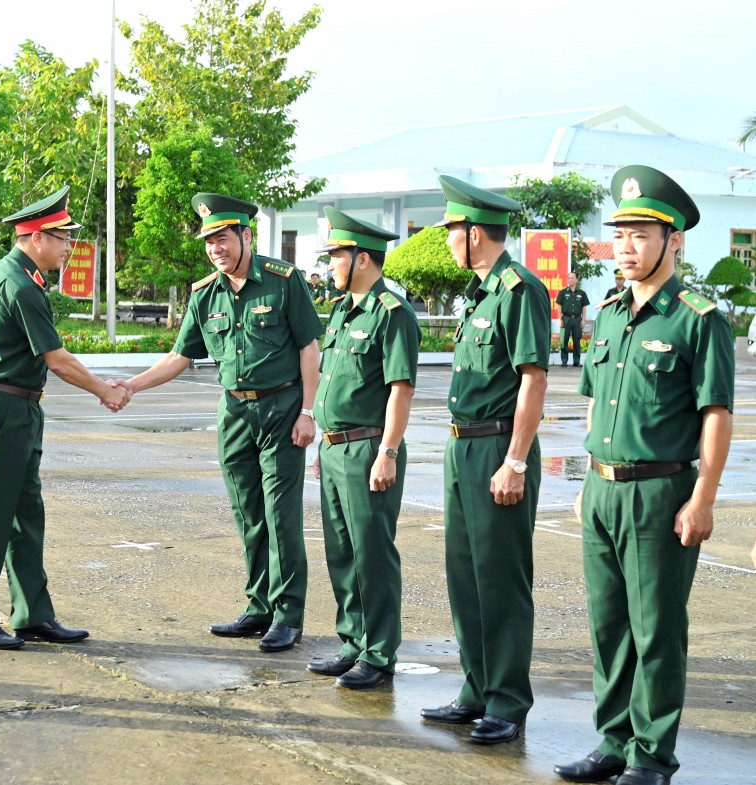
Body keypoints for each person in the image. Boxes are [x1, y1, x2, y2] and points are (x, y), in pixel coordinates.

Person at [555, 165, 734, 785]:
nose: (625, 247)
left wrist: (703, 497)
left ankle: (653, 756)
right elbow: (592, 403)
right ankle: (613, 741)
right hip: (604, 488)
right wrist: (585, 484)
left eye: (639, 235)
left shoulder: (696, 317)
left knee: (656, 628)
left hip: (662, 491)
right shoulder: (605, 314)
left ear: (673, 241)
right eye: (620, 234)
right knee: (608, 625)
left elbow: (715, 414)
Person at [120, 193, 324, 653]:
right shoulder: (204, 292)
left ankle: (288, 614)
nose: (216, 249)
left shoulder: (283, 282)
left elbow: (309, 349)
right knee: (248, 512)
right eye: (209, 241)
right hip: (233, 412)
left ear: (245, 236)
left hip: (283, 408)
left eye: (224, 239)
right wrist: (132, 385)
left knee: (281, 515)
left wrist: (309, 412)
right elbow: (180, 357)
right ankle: (259, 607)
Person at [0, 187, 129, 651]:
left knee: (25, 514)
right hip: (5, 410)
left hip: (15, 407)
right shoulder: (19, 284)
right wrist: (105, 390)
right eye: (62, 238)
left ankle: (32, 614)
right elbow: (57, 358)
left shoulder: (7, 275)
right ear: (36, 237)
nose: (68, 247)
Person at [419, 176, 550, 744]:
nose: (446, 240)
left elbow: (533, 379)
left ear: (476, 233)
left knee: (500, 579)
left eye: (451, 230)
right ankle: (476, 687)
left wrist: (516, 461)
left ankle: (507, 701)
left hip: (498, 447)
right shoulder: (479, 293)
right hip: (462, 445)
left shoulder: (520, 290)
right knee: (466, 576)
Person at [304, 207, 419, 690]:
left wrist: (388, 452)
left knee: (372, 553)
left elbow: (401, 389)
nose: (331, 265)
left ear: (364, 260)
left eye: (337, 256)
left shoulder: (392, 314)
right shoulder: (342, 311)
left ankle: (379, 651)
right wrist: (321, 447)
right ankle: (353, 642)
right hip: (334, 450)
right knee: (342, 552)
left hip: (368, 449)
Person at [557, 272, 590, 367]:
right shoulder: (563, 292)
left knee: (577, 340)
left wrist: (583, 320)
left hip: (577, 319)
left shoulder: (582, 293)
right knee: (564, 341)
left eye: (572, 278)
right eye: (569, 278)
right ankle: (564, 361)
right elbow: (559, 306)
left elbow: (584, 307)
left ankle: (576, 361)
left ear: (576, 280)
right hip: (566, 318)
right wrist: (559, 319)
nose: (570, 280)